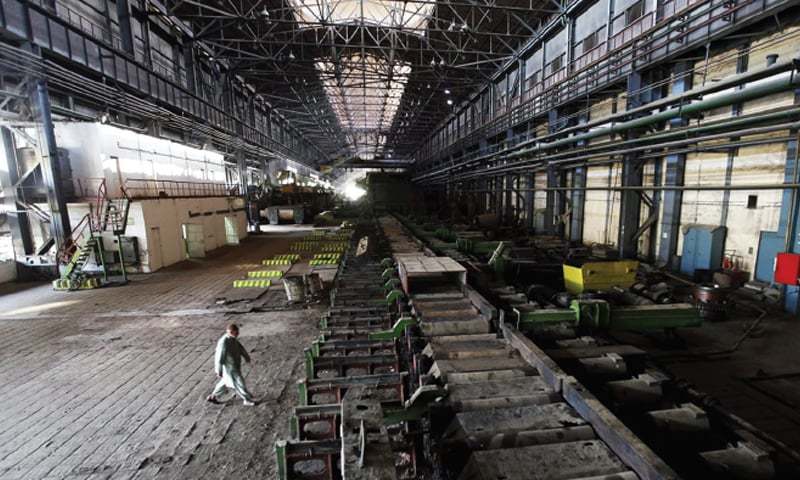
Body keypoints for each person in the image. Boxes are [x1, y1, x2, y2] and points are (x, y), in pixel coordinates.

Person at [207, 323, 257, 406]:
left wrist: (246, 356)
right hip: (229, 368)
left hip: (235, 365)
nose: (237, 335)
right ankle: (246, 399)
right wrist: (218, 371)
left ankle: (213, 396)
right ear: (230, 332)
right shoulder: (223, 342)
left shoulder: (233, 338)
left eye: (237, 333)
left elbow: (239, 347)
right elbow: (220, 358)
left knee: (225, 382)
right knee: (239, 383)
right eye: (236, 333)